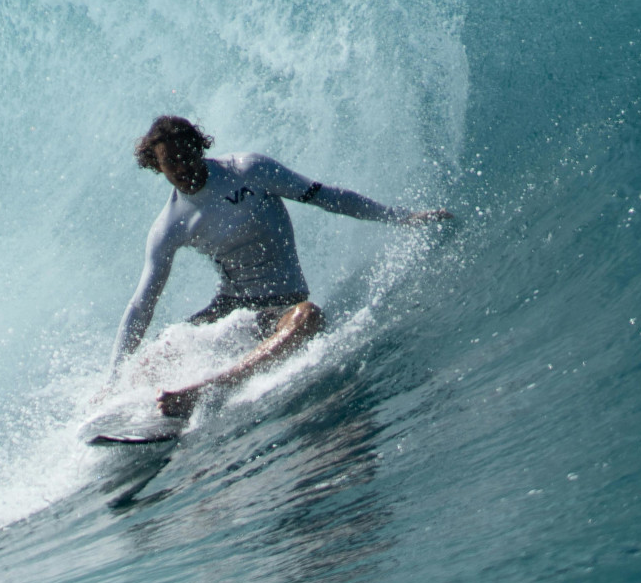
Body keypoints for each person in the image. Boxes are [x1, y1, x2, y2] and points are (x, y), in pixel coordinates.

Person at [112, 115, 452, 418]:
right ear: (157, 166)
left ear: (199, 147)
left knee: (308, 317)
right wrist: (115, 379)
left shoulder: (248, 171)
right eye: (171, 163)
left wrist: (401, 217)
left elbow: (329, 198)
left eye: (187, 155)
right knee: (156, 353)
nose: (183, 167)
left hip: (280, 305)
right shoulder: (169, 226)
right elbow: (141, 305)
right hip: (229, 308)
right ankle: (126, 408)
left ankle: (209, 390)